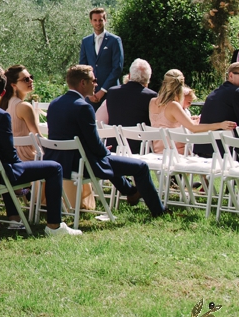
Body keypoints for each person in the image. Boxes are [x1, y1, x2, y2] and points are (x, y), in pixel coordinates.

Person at [0, 66, 80, 237]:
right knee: (54, 168)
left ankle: (15, 217)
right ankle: (54, 226)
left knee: (5, 167)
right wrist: (19, 165)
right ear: (2, 93)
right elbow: (9, 153)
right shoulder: (0, 115)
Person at [46, 65, 166, 216]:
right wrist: (103, 151)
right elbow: (95, 145)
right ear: (83, 82)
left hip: (59, 162)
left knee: (108, 159)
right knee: (140, 166)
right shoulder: (84, 107)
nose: (96, 83)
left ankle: (130, 191)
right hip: (83, 164)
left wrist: (101, 151)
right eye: (94, 80)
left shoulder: (54, 103)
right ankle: (158, 211)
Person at [194, 62, 239, 157]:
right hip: (224, 151)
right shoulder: (237, 92)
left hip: (203, 148)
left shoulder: (214, 93)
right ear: (231, 75)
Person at [79, 8, 124, 103]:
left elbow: (117, 68)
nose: (98, 23)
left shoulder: (115, 40)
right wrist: (88, 93)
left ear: (105, 20)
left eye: (100, 20)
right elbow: (82, 68)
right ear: (91, 21)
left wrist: (103, 90)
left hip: (111, 92)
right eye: (95, 20)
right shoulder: (85, 41)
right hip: (91, 94)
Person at [0, 64, 43, 161]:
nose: (31, 80)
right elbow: (38, 138)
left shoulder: (3, 104)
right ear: (14, 85)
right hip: (27, 159)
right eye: (26, 79)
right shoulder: (24, 107)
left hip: (9, 158)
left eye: (31, 77)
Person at [104, 59, 156, 128]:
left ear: (129, 75)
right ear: (148, 78)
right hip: (141, 138)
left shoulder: (112, 92)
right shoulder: (151, 96)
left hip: (115, 137)